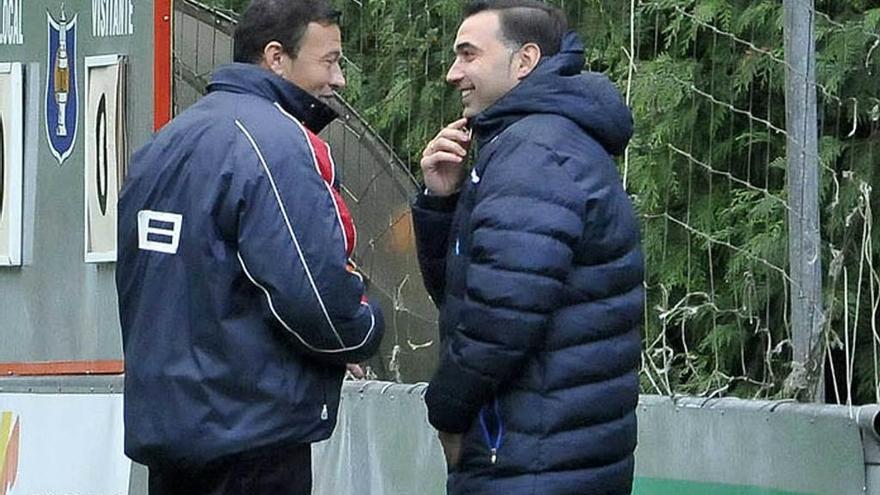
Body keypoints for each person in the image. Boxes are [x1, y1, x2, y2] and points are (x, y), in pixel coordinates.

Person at [115, 0, 383, 493]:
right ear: (276, 57)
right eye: (329, 61)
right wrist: (363, 329)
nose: (339, 80)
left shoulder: (162, 144)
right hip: (251, 437)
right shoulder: (279, 142)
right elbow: (316, 298)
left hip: (169, 431)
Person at [412, 1, 644, 493]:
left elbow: (500, 315)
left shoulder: (534, 153)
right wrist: (441, 201)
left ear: (525, 61)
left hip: (532, 461)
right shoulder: (528, 141)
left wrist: (447, 411)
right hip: (546, 453)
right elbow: (470, 292)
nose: (454, 74)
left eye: (469, 55)